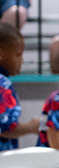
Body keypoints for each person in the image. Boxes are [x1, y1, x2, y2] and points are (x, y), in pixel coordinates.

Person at [0, 22, 39, 152]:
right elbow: (6, 129)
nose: (21, 61)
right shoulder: (3, 85)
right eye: (18, 54)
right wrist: (32, 127)